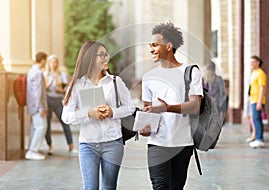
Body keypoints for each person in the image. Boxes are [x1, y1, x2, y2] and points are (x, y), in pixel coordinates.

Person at [61, 41, 135, 190]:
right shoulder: (77, 85)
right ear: (89, 58)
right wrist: (89, 113)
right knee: (90, 187)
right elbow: (66, 116)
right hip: (88, 144)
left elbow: (130, 107)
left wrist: (113, 111)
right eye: (101, 55)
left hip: (113, 142)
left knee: (109, 187)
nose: (106, 58)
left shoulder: (115, 82)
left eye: (106, 54)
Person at [140, 22, 203, 190]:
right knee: (159, 186)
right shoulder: (148, 77)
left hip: (183, 144)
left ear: (168, 46)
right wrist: (144, 127)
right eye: (150, 46)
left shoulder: (190, 72)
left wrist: (167, 108)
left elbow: (195, 105)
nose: (151, 49)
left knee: (176, 187)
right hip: (157, 143)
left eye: (155, 45)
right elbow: (148, 111)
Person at [44, 55, 77, 155]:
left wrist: (60, 89)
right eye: (52, 62)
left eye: (55, 62)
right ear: (48, 63)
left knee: (65, 122)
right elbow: (43, 89)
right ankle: (50, 146)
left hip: (58, 100)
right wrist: (51, 82)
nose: (54, 64)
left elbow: (65, 89)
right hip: (48, 100)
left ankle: (71, 147)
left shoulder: (61, 74)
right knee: (47, 125)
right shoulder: (45, 74)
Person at [25, 52, 48, 160]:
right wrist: (41, 108)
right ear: (43, 60)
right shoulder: (38, 73)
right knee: (41, 127)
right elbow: (37, 92)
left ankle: (32, 150)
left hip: (32, 105)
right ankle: (32, 151)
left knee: (36, 128)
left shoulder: (31, 71)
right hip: (37, 106)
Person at [249, 55, 267, 148]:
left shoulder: (260, 73)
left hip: (257, 100)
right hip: (253, 100)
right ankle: (258, 138)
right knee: (255, 120)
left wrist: (259, 102)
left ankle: (259, 139)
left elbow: (262, 88)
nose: (251, 64)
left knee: (257, 119)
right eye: (250, 62)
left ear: (258, 62)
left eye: (253, 62)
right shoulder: (254, 73)